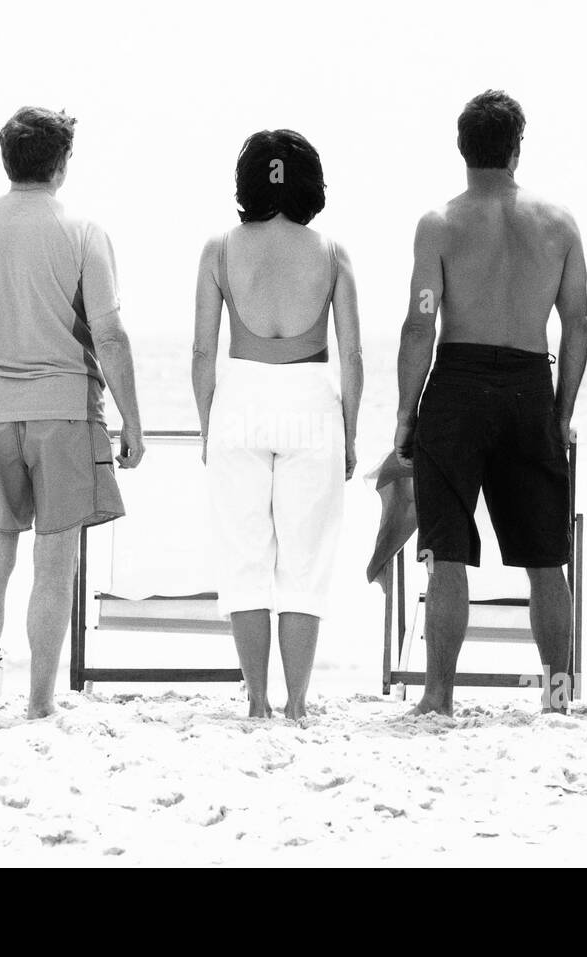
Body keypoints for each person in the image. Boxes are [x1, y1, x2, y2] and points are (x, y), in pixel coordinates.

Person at [0, 106, 144, 721]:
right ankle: (37, 703)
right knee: (53, 566)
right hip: (65, 414)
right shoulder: (83, 230)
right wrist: (133, 422)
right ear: (61, 161)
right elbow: (108, 335)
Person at [394, 90, 587, 716]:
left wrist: (405, 413)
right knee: (546, 559)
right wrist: (561, 411)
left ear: (462, 148)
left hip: (456, 387)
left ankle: (438, 694)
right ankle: (557, 698)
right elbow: (578, 325)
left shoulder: (440, 225)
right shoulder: (559, 224)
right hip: (530, 385)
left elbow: (419, 323)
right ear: (517, 148)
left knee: (446, 551)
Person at [192, 129, 363, 720]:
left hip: (239, 397)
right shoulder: (333, 252)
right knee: (304, 561)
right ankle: (297, 704)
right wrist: (351, 431)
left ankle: (258, 704)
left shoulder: (219, 248)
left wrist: (206, 427)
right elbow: (354, 357)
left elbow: (199, 353)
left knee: (244, 556)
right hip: (312, 399)